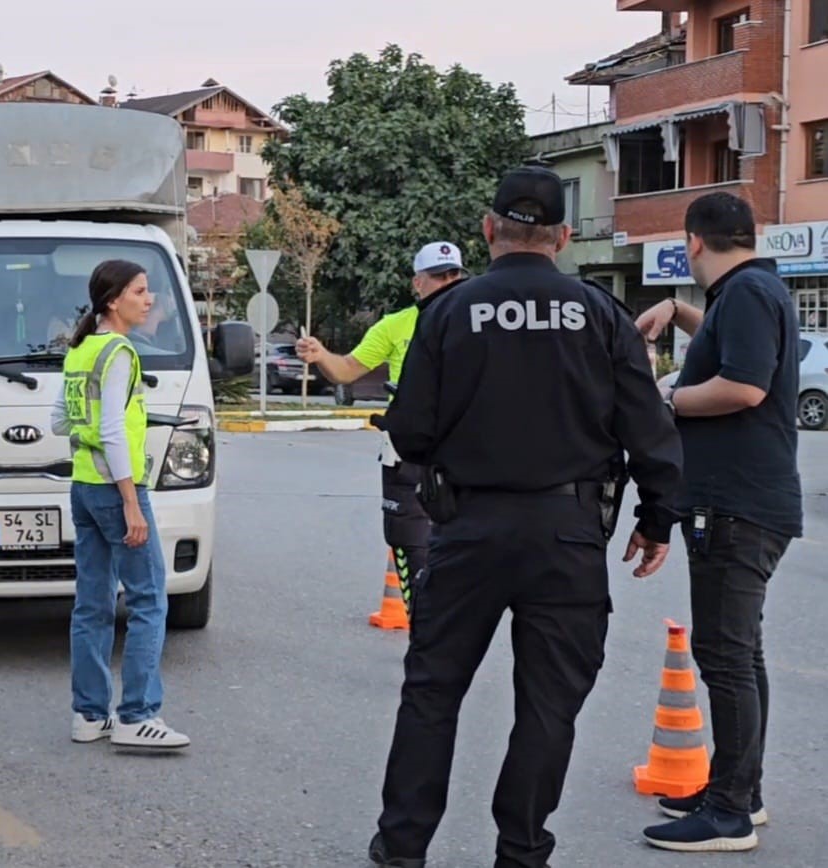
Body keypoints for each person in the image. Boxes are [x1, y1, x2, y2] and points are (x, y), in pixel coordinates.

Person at [368, 166, 683, 868]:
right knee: (548, 706)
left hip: (466, 531)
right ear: (564, 236)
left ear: (488, 231)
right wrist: (658, 518)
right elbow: (648, 426)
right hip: (566, 536)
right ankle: (521, 849)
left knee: (432, 692)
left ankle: (401, 848)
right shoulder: (598, 313)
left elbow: (410, 431)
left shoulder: (447, 311)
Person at [634, 192, 802, 853]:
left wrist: (663, 397)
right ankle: (740, 791)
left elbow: (742, 385)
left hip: (736, 505)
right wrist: (678, 311)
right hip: (745, 501)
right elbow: (730, 348)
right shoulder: (751, 291)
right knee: (740, 653)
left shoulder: (748, 295)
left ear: (692, 244)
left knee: (724, 656)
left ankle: (729, 813)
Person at [51, 259, 189, 751]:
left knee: (92, 603)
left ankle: (89, 715)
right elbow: (112, 430)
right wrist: (131, 503)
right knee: (150, 599)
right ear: (114, 300)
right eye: (140, 290)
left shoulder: (80, 349)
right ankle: (137, 714)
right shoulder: (120, 353)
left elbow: (59, 422)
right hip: (116, 488)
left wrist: (92, 441)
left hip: (84, 485)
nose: (148, 299)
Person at [296, 241, 468, 612]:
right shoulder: (395, 325)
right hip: (407, 454)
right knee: (412, 544)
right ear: (417, 283)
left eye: (454, 275)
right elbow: (346, 370)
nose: (448, 282)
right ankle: (422, 626)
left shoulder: (476, 319)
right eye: (438, 276)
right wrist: (320, 354)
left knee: (462, 553)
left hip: (462, 453)